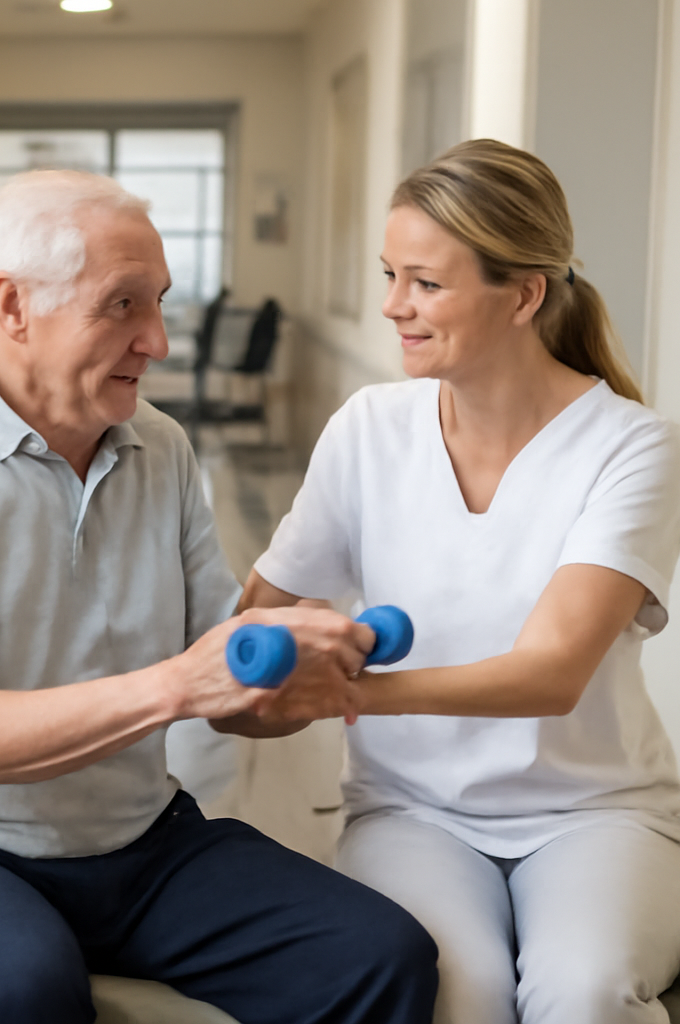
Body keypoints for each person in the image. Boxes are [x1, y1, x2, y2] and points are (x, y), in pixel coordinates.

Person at [0, 169, 439, 1024]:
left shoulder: (161, 447)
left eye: (157, 302)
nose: (156, 339)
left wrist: (301, 674)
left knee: (379, 955)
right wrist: (180, 685)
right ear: (13, 306)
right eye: (121, 306)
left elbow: (229, 703)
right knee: (21, 986)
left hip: (138, 841)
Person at [239, 139, 680, 1024]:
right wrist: (262, 661)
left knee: (581, 992)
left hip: (595, 810)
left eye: (426, 283)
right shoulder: (370, 428)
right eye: (390, 274)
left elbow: (553, 673)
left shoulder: (631, 445)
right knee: (452, 990)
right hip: (410, 812)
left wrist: (349, 692)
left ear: (523, 295)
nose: (393, 306)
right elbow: (260, 611)